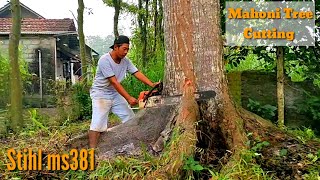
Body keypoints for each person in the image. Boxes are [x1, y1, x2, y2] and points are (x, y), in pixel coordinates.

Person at [88, 35, 158, 148]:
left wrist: (151, 84)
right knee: (97, 123)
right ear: (116, 47)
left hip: (114, 94)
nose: (126, 52)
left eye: (127, 49)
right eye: (124, 49)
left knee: (130, 117)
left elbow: (136, 73)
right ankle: (91, 152)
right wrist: (129, 98)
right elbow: (114, 82)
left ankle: (134, 144)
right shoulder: (104, 60)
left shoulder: (125, 61)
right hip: (100, 93)